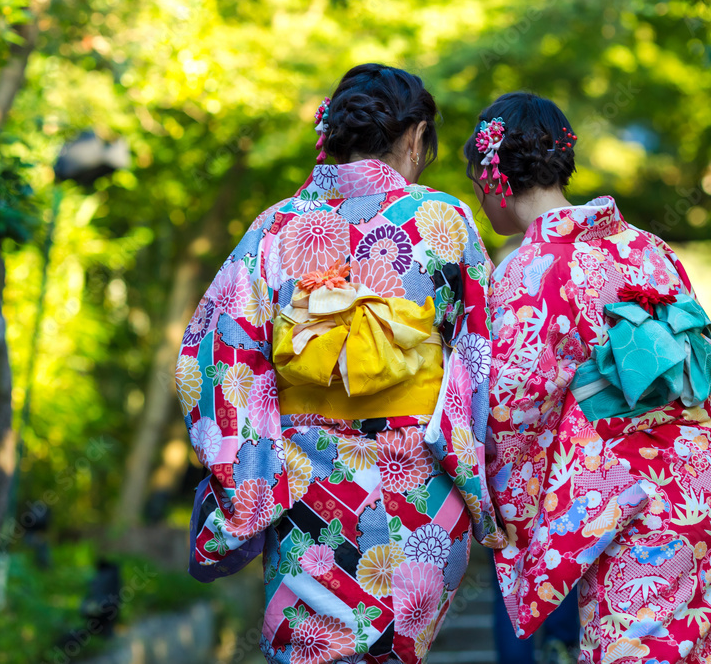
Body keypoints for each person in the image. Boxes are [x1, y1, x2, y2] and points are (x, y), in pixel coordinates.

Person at [177, 63, 503, 664]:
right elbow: (485, 356)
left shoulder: (276, 227)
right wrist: (484, 484)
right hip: (417, 489)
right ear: (414, 137)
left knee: (308, 650)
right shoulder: (443, 220)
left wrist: (253, 474)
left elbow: (216, 354)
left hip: (304, 485)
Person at [464, 92, 711, 664]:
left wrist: (502, 516)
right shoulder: (650, 250)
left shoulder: (529, 271)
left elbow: (509, 414)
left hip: (635, 505)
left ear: (491, 177)